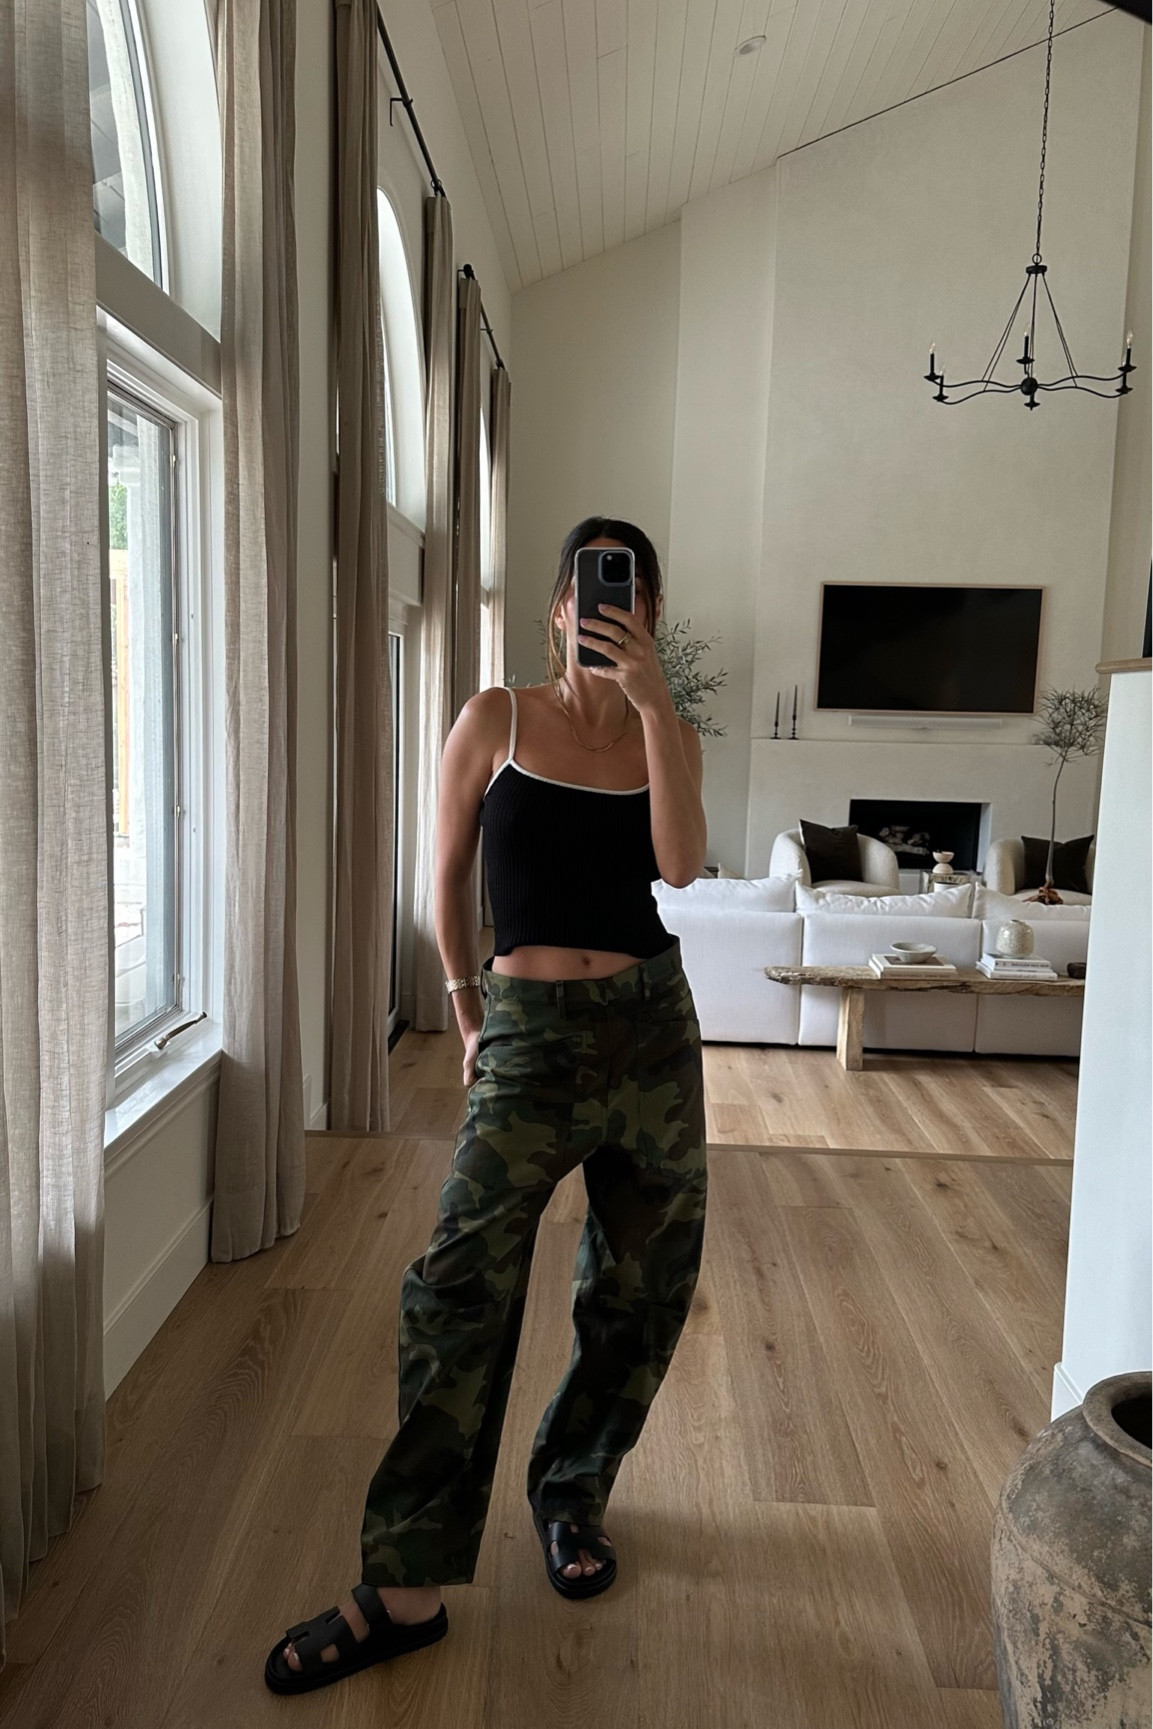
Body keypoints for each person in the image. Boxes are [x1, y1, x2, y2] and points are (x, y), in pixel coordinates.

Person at [265, 517, 709, 1696]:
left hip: (651, 1035)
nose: (606, 607)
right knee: (459, 1280)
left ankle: (571, 1493)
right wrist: (466, 1008)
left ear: (648, 615)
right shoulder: (494, 719)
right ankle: (404, 1584)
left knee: (642, 1286)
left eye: (630, 592)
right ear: (558, 609)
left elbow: (677, 868)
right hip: (527, 1034)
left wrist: (656, 709)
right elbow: (446, 874)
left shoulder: (670, 733)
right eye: (589, 588)